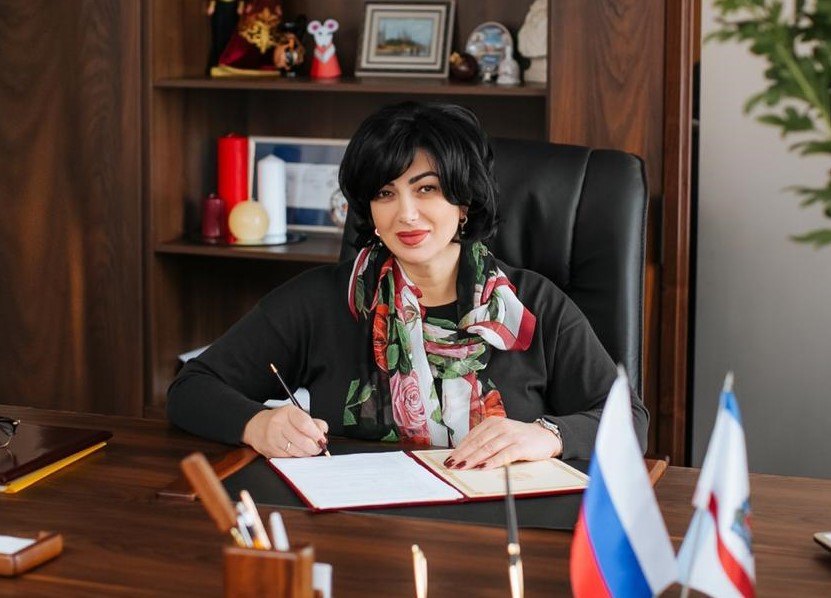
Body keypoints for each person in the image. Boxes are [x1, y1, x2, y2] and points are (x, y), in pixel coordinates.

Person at [167, 101, 648, 469]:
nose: (406, 214)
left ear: (464, 202)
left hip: (503, 531)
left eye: (426, 189)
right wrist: (257, 424)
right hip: (363, 528)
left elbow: (630, 419)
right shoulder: (323, 300)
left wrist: (548, 435)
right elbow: (192, 388)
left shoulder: (535, 304)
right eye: (385, 193)